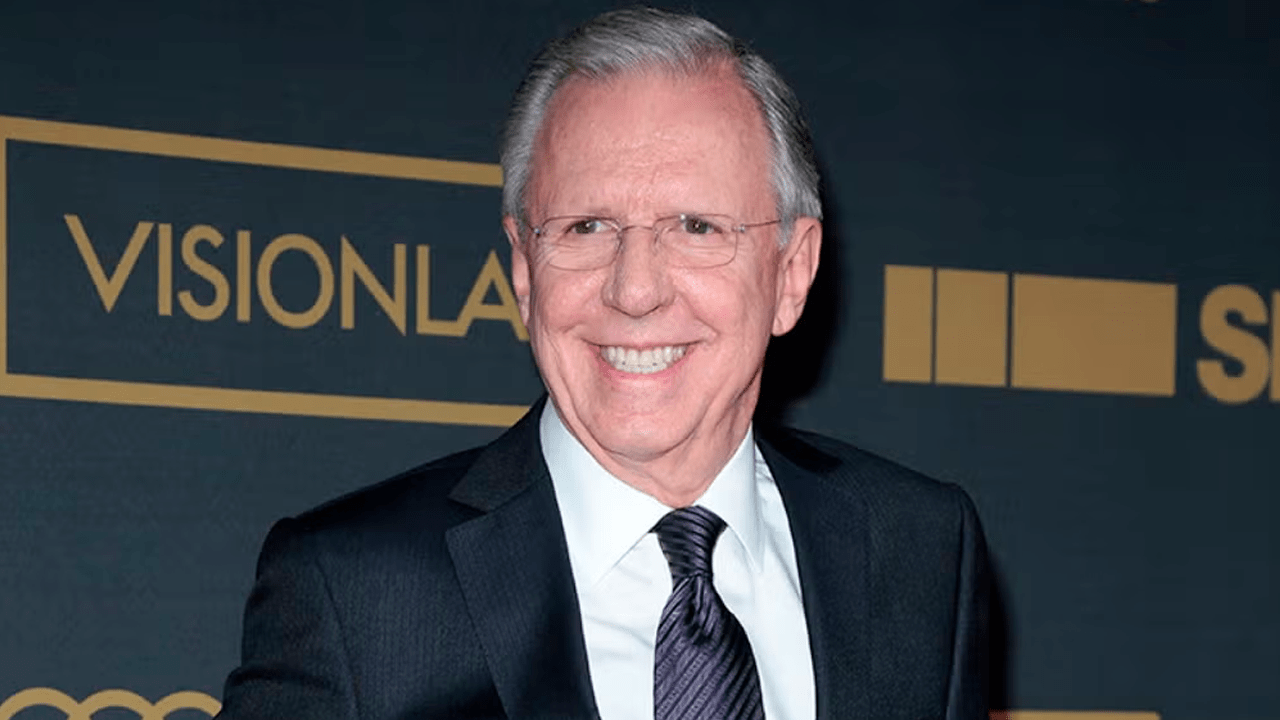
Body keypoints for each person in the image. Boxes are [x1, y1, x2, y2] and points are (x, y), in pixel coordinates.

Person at [216, 7, 988, 720]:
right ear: (525, 270)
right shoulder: (352, 594)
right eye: (586, 227)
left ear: (791, 273)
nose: (636, 290)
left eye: (696, 226)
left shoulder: (920, 549)